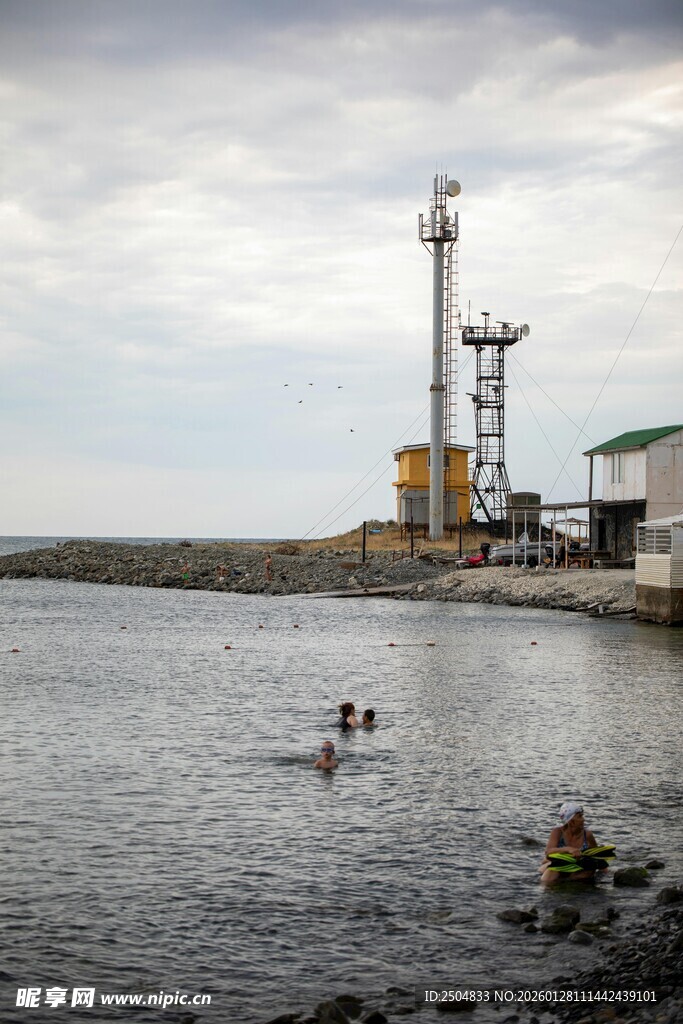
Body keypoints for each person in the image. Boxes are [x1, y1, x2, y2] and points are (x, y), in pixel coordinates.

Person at [540, 802, 599, 885]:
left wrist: (606, 870)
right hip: (561, 865)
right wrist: (568, 849)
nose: (583, 819)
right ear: (571, 821)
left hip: (578, 868)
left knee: (587, 873)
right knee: (547, 875)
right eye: (580, 816)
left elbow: (596, 856)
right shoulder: (557, 832)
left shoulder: (588, 835)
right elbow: (548, 852)